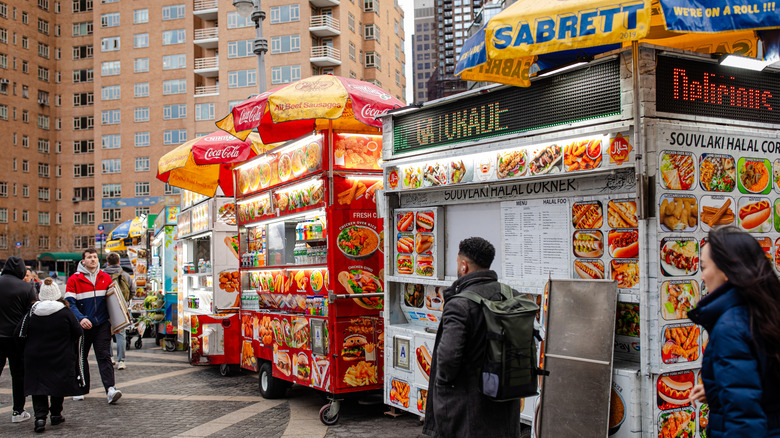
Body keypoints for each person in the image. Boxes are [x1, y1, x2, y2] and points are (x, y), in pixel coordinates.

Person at [423, 237, 521, 438]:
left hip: (465, 410)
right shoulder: (511, 296)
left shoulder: (459, 305)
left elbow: (448, 358)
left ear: (463, 266)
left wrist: (442, 390)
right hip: (504, 403)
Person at [688, 227, 780, 437]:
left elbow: (744, 421)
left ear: (727, 272)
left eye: (704, 267)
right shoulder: (767, 311)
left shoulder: (730, 328)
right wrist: (718, 390)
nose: (702, 276)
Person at [17, 278, 84, 433]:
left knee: (38, 387)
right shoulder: (65, 312)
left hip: (35, 356)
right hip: (60, 356)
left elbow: (18, 333)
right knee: (57, 385)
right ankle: (55, 414)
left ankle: (40, 418)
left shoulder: (33, 312)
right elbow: (78, 332)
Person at [65, 249, 122, 404]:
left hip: (102, 324)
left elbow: (113, 302)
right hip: (82, 326)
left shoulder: (105, 277)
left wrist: (117, 322)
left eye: (95, 257)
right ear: (83, 261)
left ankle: (110, 389)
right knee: (80, 357)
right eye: (89, 257)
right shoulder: (74, 280)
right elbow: (70, 303)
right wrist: (81, 319)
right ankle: (79, 388)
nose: (93, 260)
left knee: (104, 356)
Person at [0, 256, 38, 423]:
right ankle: (18, 411)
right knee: (18, 375)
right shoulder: (26, 287)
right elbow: (32, 313)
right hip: (17, 338)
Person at [103, 252, 135, 370]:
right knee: (121, 334)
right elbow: (133, 291)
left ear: (107, 262)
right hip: (121, 307)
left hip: (105, 307)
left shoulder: (102, 275)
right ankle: (121, 361)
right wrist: (124, 301)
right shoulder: (125, 275)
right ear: (119, 262)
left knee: (107, 333)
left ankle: (110, 357)